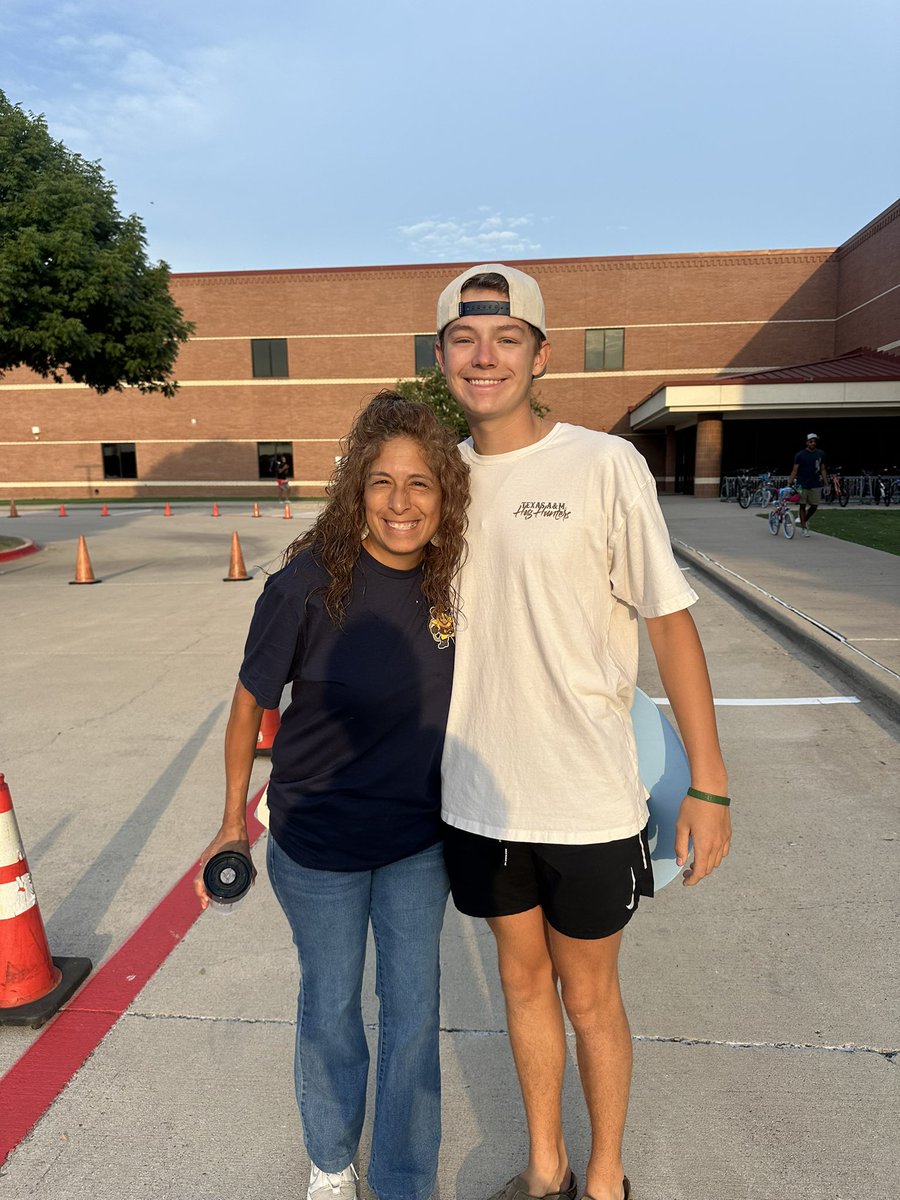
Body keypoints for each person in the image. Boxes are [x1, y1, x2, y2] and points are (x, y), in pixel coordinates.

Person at [433, 265, 732, 1200]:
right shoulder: (436, 476)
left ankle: (604, 1177)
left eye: (507, 338)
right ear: (440, 355)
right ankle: (545, 1168)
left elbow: (669, 622)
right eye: (464, 340)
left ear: (539, 353)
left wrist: (711, 785)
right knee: (522, 989)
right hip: (478, 797)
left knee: (589, 993)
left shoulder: (604, 464)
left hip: (589, 798)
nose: (485, 358)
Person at [195, 391, 469, 1200]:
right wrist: (229, 824)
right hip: (317, 843)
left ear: (444, 494)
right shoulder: (307, 584)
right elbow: (251, 703)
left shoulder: (453, 579)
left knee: (415, 1017)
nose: (400, 502)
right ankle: (330, 1161)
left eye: (420, 483)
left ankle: (405, 1178)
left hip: (420, 840)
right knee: (333, 1007)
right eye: (382, 482)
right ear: (358, 489)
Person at [787, 433, 827, 536]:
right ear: (807, 442)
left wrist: (826, 483)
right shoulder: (800, 455)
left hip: (815, 483)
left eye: (815, 441)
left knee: (814, 506)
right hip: (801, 484)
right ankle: (804, 528)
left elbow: (822, 469)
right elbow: (795, 470)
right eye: (811, 441)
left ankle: (804, 520)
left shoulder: (821, 454)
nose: (813, 443)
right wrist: (789, 482)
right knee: (802, 505)